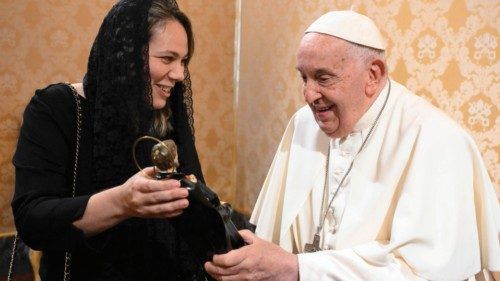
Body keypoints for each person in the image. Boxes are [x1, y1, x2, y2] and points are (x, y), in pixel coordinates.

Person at [204, 10, 500, 281]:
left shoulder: (437, 139)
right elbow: (277, 237)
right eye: (303, 77)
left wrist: (299, 269)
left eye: (323, 78)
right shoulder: (303, 125)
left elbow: (422, 272)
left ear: (373, 74)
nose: (308, 94)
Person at [12, 0, 221, 280]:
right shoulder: (56, 108)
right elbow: (32, 221)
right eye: (167, 59)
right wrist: (122, 202)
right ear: (126, 55)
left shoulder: (166, 117)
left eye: (183, 61)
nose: (179, 74)